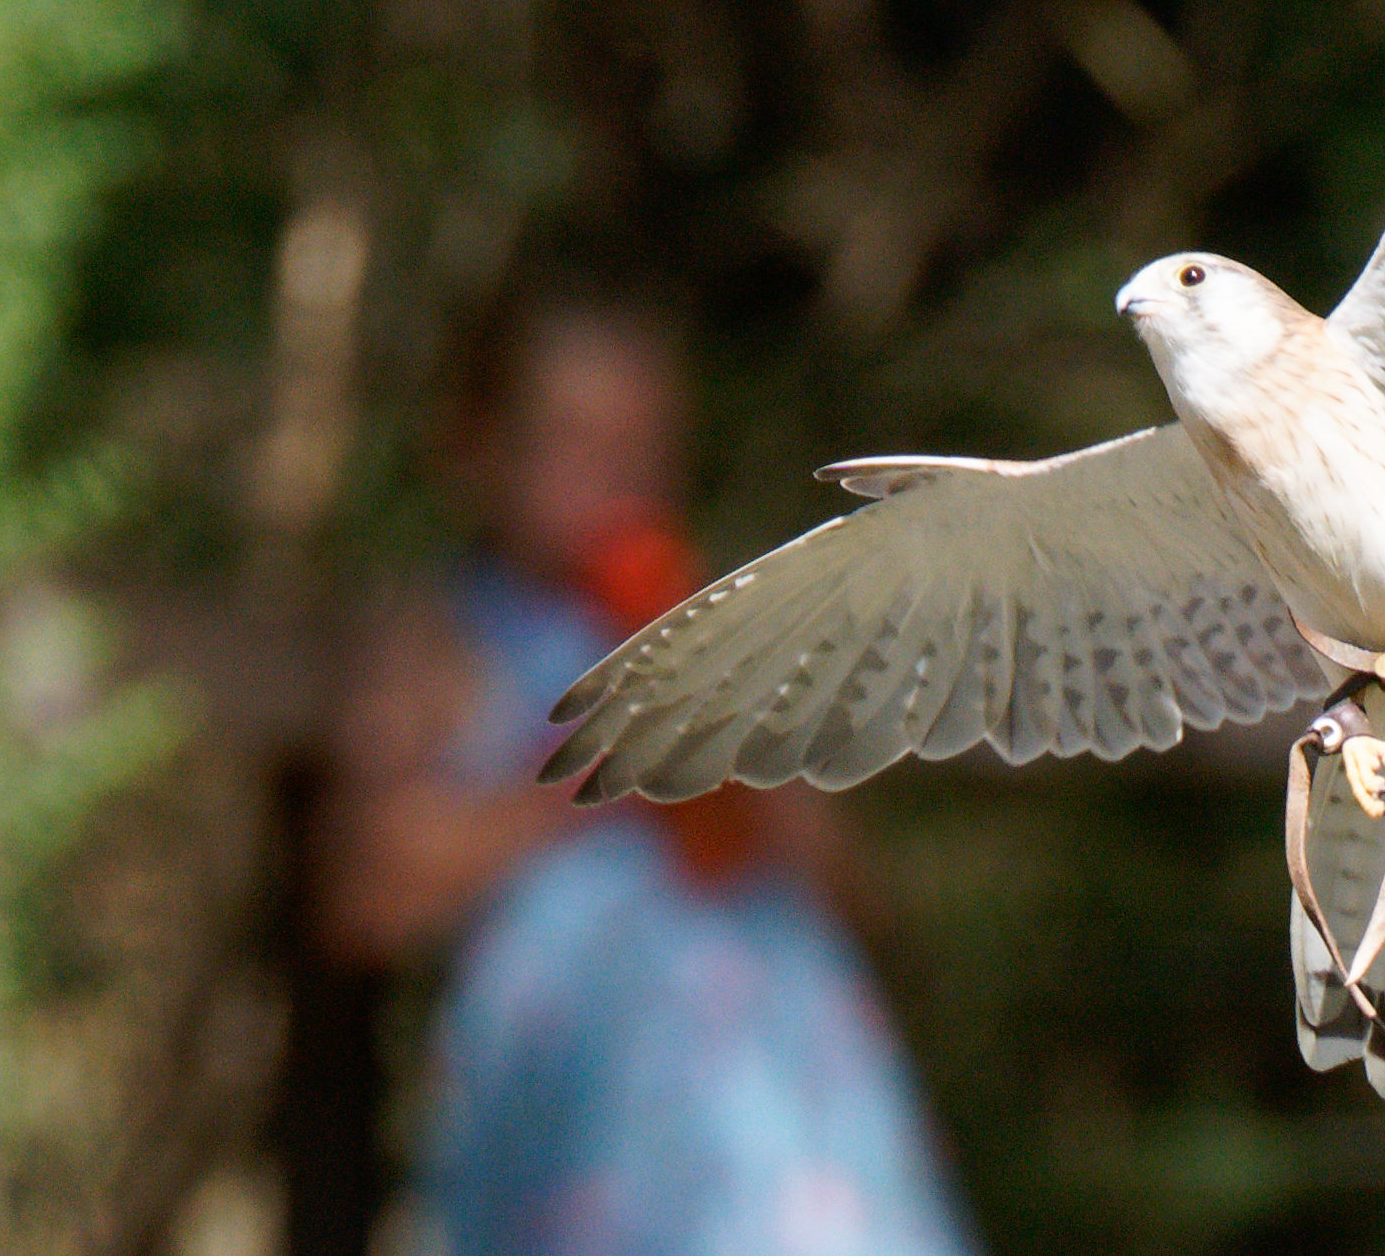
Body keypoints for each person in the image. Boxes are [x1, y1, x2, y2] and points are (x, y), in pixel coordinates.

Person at [319, 271, 978, 1256]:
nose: (615, 479)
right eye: (576, 441)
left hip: (788, 1084)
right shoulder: (444, 639)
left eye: (644, 447)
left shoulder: (721, 627)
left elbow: (859, 899)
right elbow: (363, 894)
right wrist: (601, 778)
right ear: (478, 446)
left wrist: (756, 767)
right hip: (584, 1091)